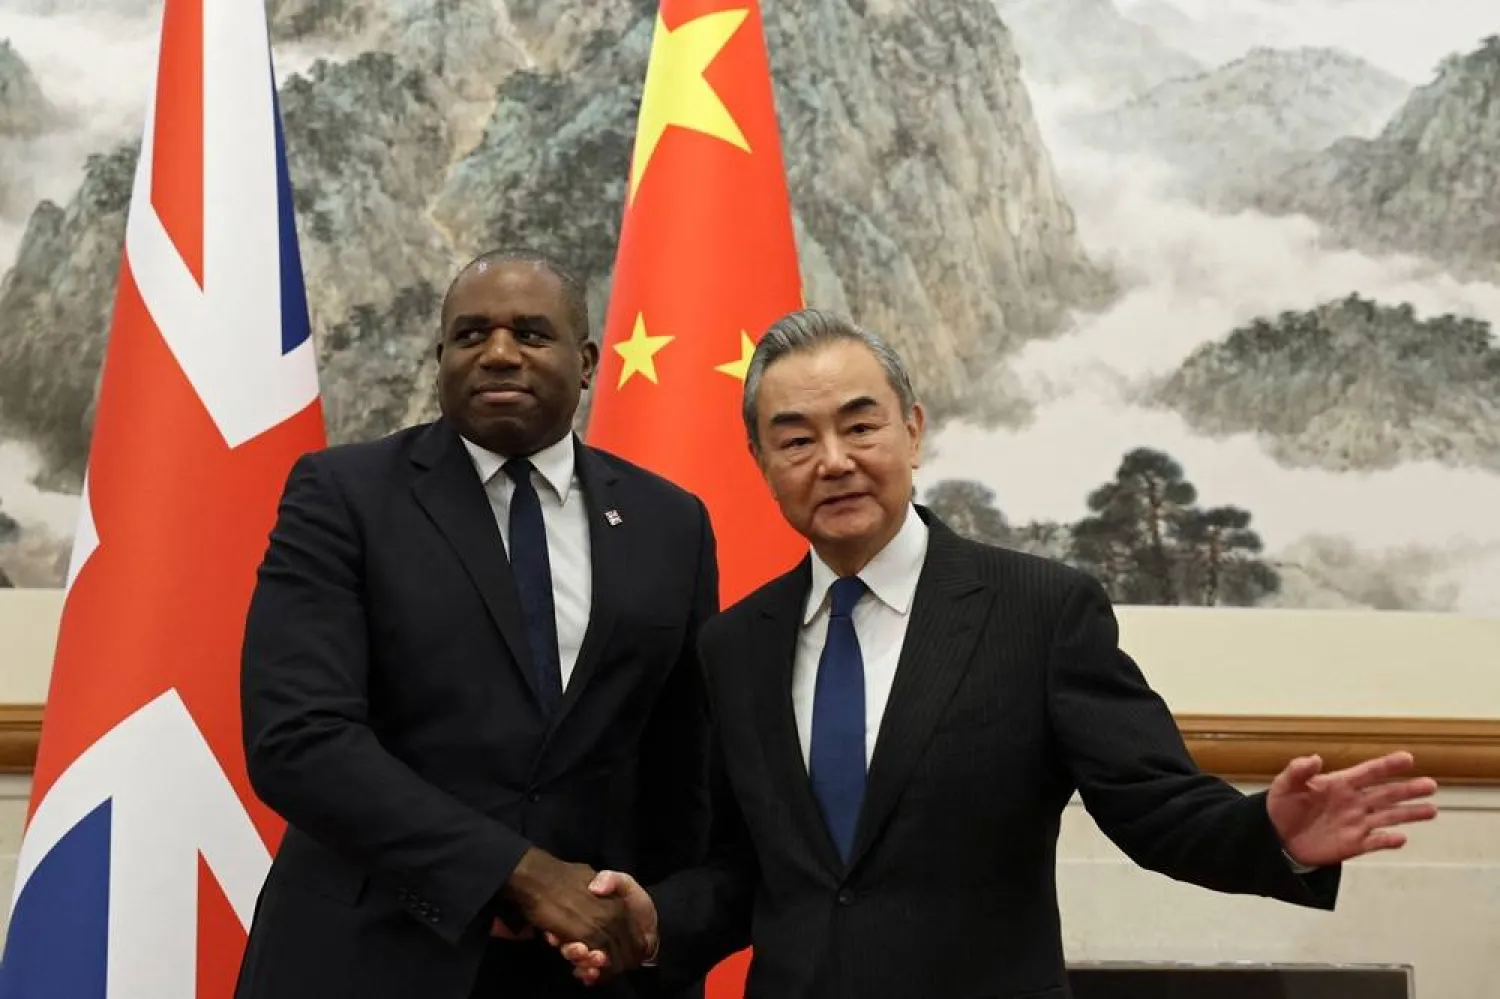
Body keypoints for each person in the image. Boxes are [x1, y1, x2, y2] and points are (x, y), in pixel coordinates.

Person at [553, 308, 1440, 998]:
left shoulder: (1039, 611)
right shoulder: (734, 644)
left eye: (861, 427)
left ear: (913, 429)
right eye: (796, 439)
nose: (833, 460)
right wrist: (656, 916)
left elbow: (1154, 805)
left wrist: (1273, 836)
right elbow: (752, 866)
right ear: (760, 460)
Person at [234, 249, 718, 999]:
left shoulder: (671, 522)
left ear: (585, 360)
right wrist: (520, 874)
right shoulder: (343, 496)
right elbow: (298, 739)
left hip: (587, 972)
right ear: (440, 358)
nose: (498, 353)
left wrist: (651, 932)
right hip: (373, 958)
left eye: (530, 333)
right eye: (470, 335)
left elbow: (683, 771)